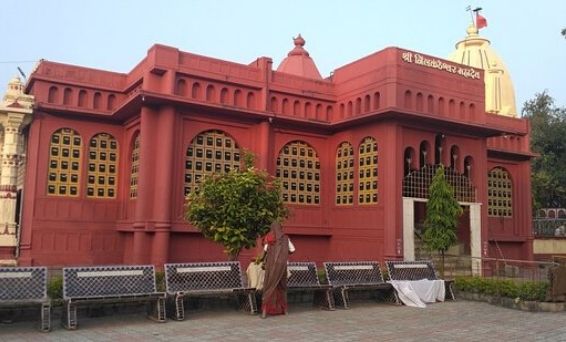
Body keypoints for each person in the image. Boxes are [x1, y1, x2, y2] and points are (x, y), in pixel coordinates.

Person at [261, 222, 295, 318]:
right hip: (282, 267)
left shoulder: (269, 238)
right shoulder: (286, 239)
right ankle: (285, 310)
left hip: (271, 268)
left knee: (269, 287)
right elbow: (292, 250)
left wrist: (260, 260)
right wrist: (284, 253)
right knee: (282, 287)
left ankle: (264, 311)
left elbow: (264, 252)